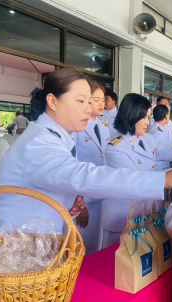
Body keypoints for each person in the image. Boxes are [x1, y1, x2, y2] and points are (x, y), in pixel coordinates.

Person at [0, 68, 172, 234]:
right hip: (12, 249)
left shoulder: (56, 136)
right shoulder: (39, 143)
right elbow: (85, 175)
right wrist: (162, 180)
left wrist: (67, 199)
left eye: (90, 101)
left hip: (32, 240)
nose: (88, 108)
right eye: (81, 101)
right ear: (52, 101)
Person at [102, 93, 172, 247]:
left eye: (149, 117)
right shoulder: (116, 148)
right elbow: (138, 180)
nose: (148, 122)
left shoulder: (147, 139)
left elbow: (171, 152)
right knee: (116, 264)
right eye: (144, 117)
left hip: (144, 212)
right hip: (122, 216)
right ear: (132, 116)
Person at [73, 80, 110, 255]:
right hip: (84, 198)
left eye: (103, 99)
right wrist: (79, 202)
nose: (101, 103)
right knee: (81, 249)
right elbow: (73, 165)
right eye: (96, 99)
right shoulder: (78, 127)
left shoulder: (103, 128)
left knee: (97, 246)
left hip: (101, 193)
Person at [148, 104, 172, 171]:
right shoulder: (158, 133)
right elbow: (157, 158)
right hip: (161, 170)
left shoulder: (154, 129)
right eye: (168, 114)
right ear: (166, 116)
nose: (169, 116)